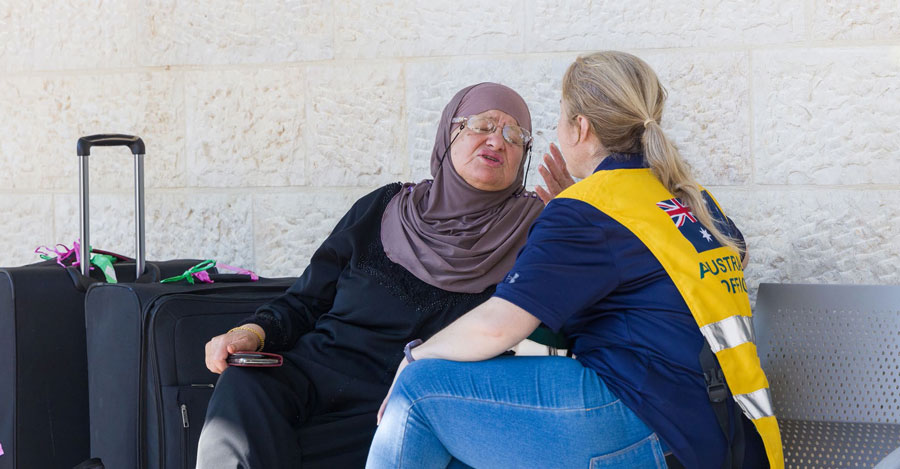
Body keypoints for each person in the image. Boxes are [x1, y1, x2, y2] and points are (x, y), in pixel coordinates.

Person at [367, 51, 783, 469]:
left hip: (657, 430)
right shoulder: (689, 198)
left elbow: (497, 329)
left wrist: (413, 358)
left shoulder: (589, 209)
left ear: (580, 127)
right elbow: (719, 260)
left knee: (418, 392)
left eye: (561, 119)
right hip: (728, 434)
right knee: (460, 440)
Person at [196, 83, 544, 468]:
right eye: (482, 124)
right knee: (244, 385)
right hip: (316, 376)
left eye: (515, 135)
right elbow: (306, 300)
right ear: (449, 132)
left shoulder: (539, 234)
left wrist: (580, 213)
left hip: (406, 406)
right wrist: (251, 333)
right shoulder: (384, 206)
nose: (497, 141)